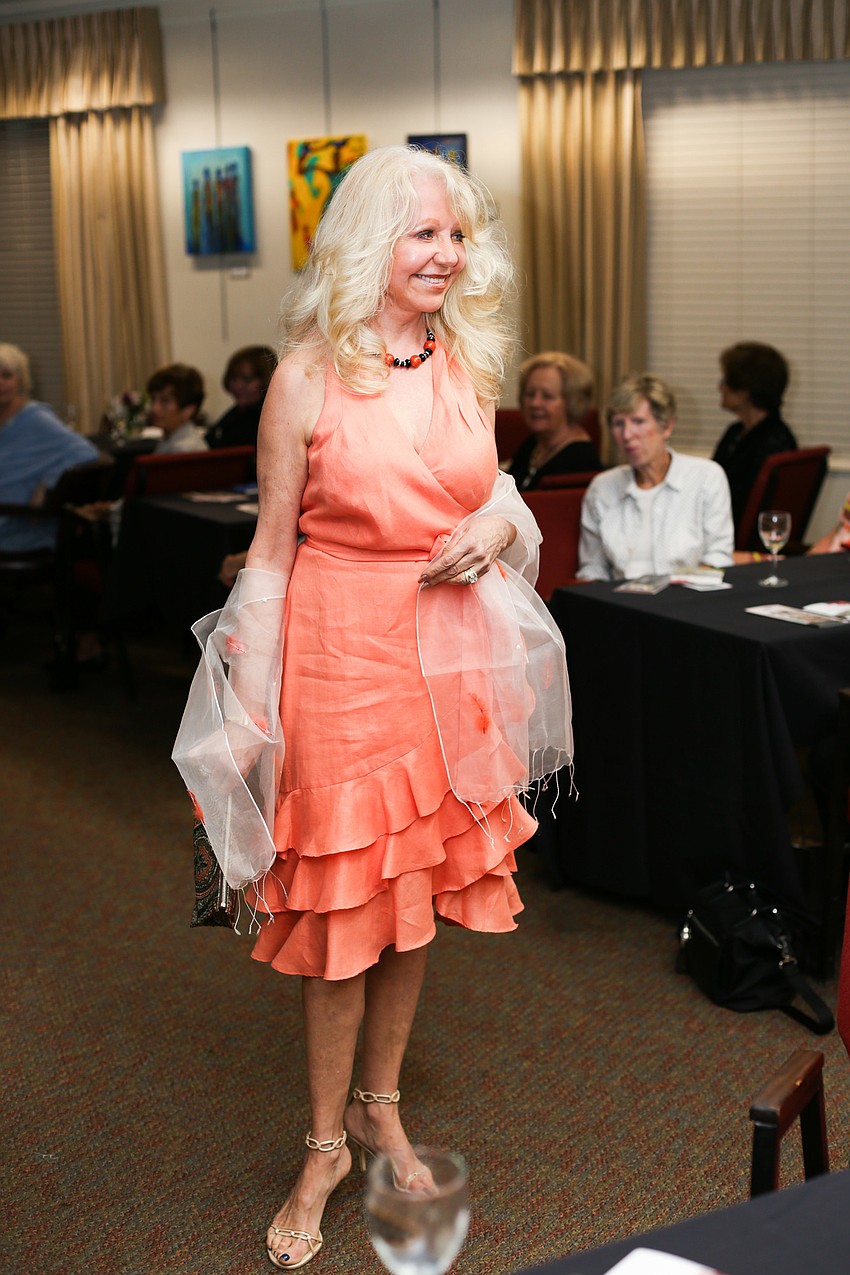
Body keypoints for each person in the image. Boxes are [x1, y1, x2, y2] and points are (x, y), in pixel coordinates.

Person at [172, 145, 571, 1271]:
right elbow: (266, 549)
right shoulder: (307, 374)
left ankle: (378, 1105)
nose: (446, 253)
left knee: (416, 895)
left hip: (447, 665)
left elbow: (488, 489)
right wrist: (248, 720)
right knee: (342, 921)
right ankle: (321, 1145)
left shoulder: (466, 362)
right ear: (368, 244)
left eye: (456, 234)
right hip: (339, 659)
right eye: (422, 234)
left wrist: (501, 525)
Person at [578, 372, 734, 581]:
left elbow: (718, 559)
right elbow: (592, 568)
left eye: (638, 421)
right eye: (618, 424)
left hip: (687, 601)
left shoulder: (706, 477)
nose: (627, 434)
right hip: (620, 604)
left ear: (666, 426)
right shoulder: (603, 487)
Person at [0, 343, 99, 553]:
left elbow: (86, 454)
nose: (0, 383)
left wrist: (48, 482)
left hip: (17, 523)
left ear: (20, 380)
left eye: (6, 376)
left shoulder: (35, 419)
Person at [712, 342, 796, 527]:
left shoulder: (775, 442)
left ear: (745, 391)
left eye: (726, 381)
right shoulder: (735, 431)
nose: (720, 387)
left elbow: (740, 502)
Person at [508, 351, 602, 489]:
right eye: (530, 394)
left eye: (547, 396)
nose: (535, 403)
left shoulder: (580, 461)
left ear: (572, 402)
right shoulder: (533, 444)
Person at [205, 345, 276, 449]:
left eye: (247, 380)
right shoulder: (235, 414)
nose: (238, 386)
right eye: (233, 378)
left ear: (264, 380)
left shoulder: (268, 419)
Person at [147, 363, 207, 453]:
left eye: (165, 401)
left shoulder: (185, 450)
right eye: (153, 399)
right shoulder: (169, 439)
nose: (154, 408)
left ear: (188, 410)